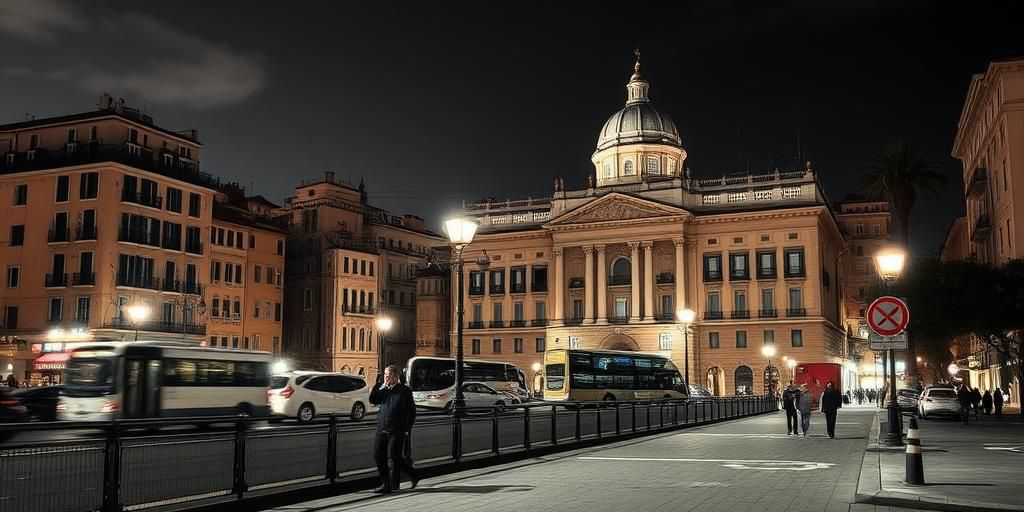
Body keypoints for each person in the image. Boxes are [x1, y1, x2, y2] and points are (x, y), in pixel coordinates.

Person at [369, 365, 420, 494]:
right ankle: (386, 484)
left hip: (396, 430)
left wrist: (407, 429)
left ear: (396, 376)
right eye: (385, 375)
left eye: (389, 375)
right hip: (382, 428)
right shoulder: (384, 390)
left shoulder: (404, 391)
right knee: (378, 455)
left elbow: (411, 412)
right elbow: (373, 399)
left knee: (395, 457)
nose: (386, 377)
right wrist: (377, 384)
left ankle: (413, 474)